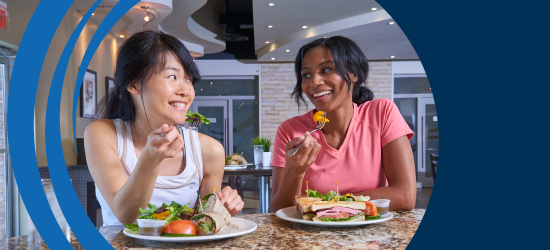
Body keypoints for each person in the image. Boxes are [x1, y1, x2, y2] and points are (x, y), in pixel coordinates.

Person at [84, 30, 244, 226]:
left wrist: (223, 208)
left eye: (188, 80)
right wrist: (151, 159)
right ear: (134, 85)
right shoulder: (103, 135)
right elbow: (126, 217)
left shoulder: (209, 151)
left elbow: (204, 225)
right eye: (172, 76)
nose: (185, 90)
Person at [269, 36, 416, 212]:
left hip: (371, 236)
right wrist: (294, 172)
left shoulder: (381, 113)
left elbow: (405, 196)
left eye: (326, 70)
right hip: (311, 237)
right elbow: (278, 212)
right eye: (306, 75)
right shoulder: (290, 131)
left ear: (353, 74)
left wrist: (331, 205)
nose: (314, 82)